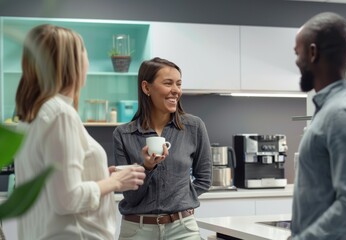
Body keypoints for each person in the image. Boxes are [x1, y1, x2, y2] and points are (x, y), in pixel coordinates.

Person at [13, 24, 146, 240]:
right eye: (85, 53)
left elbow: (54, 187)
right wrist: (116, 182)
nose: (87, 62)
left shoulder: (31, 115)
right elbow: (67, 199)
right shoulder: (60, 114)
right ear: (69, 63)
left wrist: (102, 176)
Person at [290, 12, 346, 239]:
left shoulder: (344, 114)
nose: (296, 61)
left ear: (313, 53)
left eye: (297, 52)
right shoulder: (330, 112)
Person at [113, 57, 212, 240]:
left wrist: (179, 198)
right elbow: (131, 197)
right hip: (137, 230)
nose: (176, 90)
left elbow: (205, 178)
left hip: (183, 229)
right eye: (168, 83)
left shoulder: (194, 127)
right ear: (146, 87)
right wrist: (147, 168)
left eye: (179, 84)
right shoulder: (124, 135)